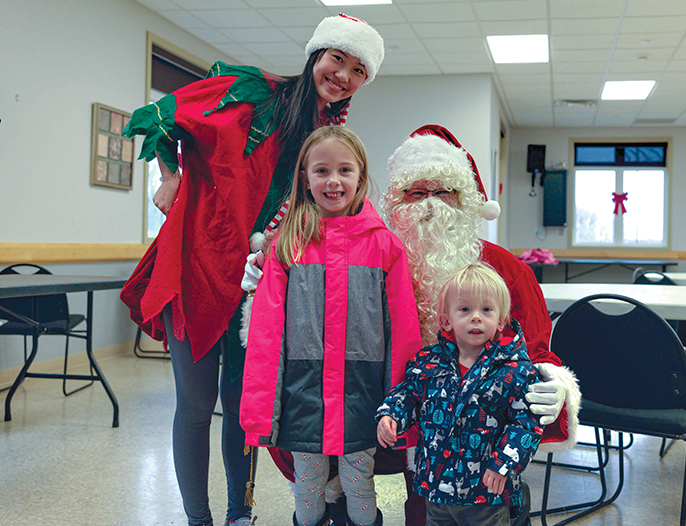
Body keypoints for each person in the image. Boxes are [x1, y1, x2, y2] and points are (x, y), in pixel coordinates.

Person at [120, 14, 385, 526]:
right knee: (195, 407)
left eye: (358, 70)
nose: (343, 75)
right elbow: (156, 115)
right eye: (337, 59)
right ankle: (199, 520)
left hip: (256, 287)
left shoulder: (328, 135)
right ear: (317, 55)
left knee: (245, 413)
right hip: (194, 269)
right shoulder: (251, 92)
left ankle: (239, 515)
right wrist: (169, 174)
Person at [379, 125, 582, 525]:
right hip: (418, 427)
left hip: (488, 436)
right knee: (422, 506)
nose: (430, 205)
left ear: (465, 200)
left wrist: (553, 383)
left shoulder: (505, 268)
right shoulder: (380, 260)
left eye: (443, 192)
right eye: (416, 193)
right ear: (397, 202)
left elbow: (537, 348)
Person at [239, 126, 422, 526]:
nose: (333, 180)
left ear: (360, 176)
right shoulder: (289, 245)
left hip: (363, 396)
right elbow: (266, 336)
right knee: (307, 488)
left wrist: (401, 405)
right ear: (305, 178)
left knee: (360, 485)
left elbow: (403, 333)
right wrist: (259, 414)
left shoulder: (385, 246)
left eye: (344, 170)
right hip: (303, 395)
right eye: (321, 171)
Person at [376, 262, 544, 526]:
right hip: (436, 488)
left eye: (486, 310)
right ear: (446, 319)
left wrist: (503, 464)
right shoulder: (427, 363)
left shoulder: (516, 371)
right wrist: (391, 415)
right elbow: (409, 394)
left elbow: (526, 424)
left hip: (487, 492)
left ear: (501, 320)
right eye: (465, 309)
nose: (476, 317)